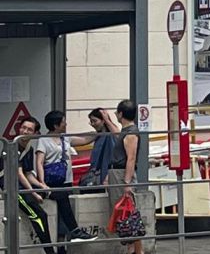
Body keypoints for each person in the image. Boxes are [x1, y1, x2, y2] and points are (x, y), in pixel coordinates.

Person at [35, 110, 98, 244]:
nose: (66, 124)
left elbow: (85, 140)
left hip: (65, 181)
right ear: (55, 125)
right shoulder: (43, 141)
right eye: (63, 122)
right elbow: (39, 163)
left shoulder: (65, 138)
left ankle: (63, 243)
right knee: (64, 202)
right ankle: (75, 231)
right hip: (51, 182)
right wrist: (42, 183)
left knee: (63, 209)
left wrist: (99, 128)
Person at [0, 117, 56, 254]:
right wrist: (33, 193)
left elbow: (28, 174)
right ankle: (50, 251)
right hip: (10, 185)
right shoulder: (12, 145)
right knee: (39, 215)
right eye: (23, 128)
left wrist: (41, 185)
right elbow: (19, 174)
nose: (24, 131)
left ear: (35, 133)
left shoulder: (29, 148)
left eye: (29, 129)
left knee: (56, 194)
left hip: (21, 184)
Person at [107, 100, 144, 254]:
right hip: (119, 173)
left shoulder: (131, 133)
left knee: (127, 214)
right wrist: (108, 120)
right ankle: (134, 250)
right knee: (126, 213)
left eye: (117, 112)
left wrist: (127, 183)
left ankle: (134, 250)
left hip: (122, 174)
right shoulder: (126, 130)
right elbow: (116, 132)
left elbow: (131, 158)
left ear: (121, 114)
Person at [83, 108, 117, 188]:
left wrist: (107, 177)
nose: (93, 124)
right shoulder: (98, 136)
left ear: (103, 120)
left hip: (104, 177)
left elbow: (113, 159)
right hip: (98, 175)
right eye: (91, 121)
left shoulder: (109, 137)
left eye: (95, 121)